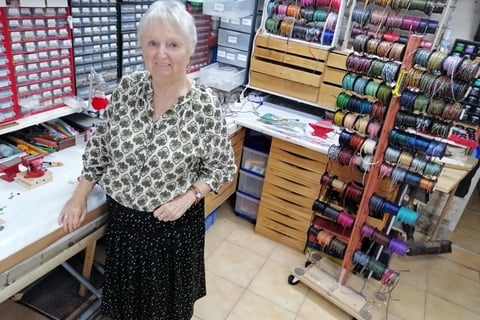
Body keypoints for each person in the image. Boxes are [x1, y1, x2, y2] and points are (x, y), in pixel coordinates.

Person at [57, 0, 237, 318]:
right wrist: (79, 195)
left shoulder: (204, 106)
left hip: (172, 234)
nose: (161, 54)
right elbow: (101, 148)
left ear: (190, 48)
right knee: (126, 311)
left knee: (165, 313)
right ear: (141, 47)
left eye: (172, 44)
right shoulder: (127, 90)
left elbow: (221, 165)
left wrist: (190, 196)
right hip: (125, 228)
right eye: (152, 43)